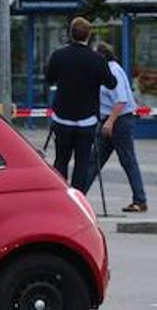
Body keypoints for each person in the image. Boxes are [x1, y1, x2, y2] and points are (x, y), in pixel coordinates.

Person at [45, 17, 116, 188]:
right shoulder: (96, 59)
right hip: (87, 119)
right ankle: (78, 196)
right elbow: (111, 83)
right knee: (82, 162)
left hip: (62, 117)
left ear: (71, 34)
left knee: (61, 159)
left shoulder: (59, 55)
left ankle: (61, 196)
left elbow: (49, 79)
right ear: (88, 35)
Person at [86, 44, 147, 213]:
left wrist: (110, 122)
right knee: (94, 160)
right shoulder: (102, 72)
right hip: (109, 120)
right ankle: (79, 196)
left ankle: (140, 200)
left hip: (120, 120)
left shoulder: (113, 71)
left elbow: (121, 100)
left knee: (127, 160)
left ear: (102, 57)